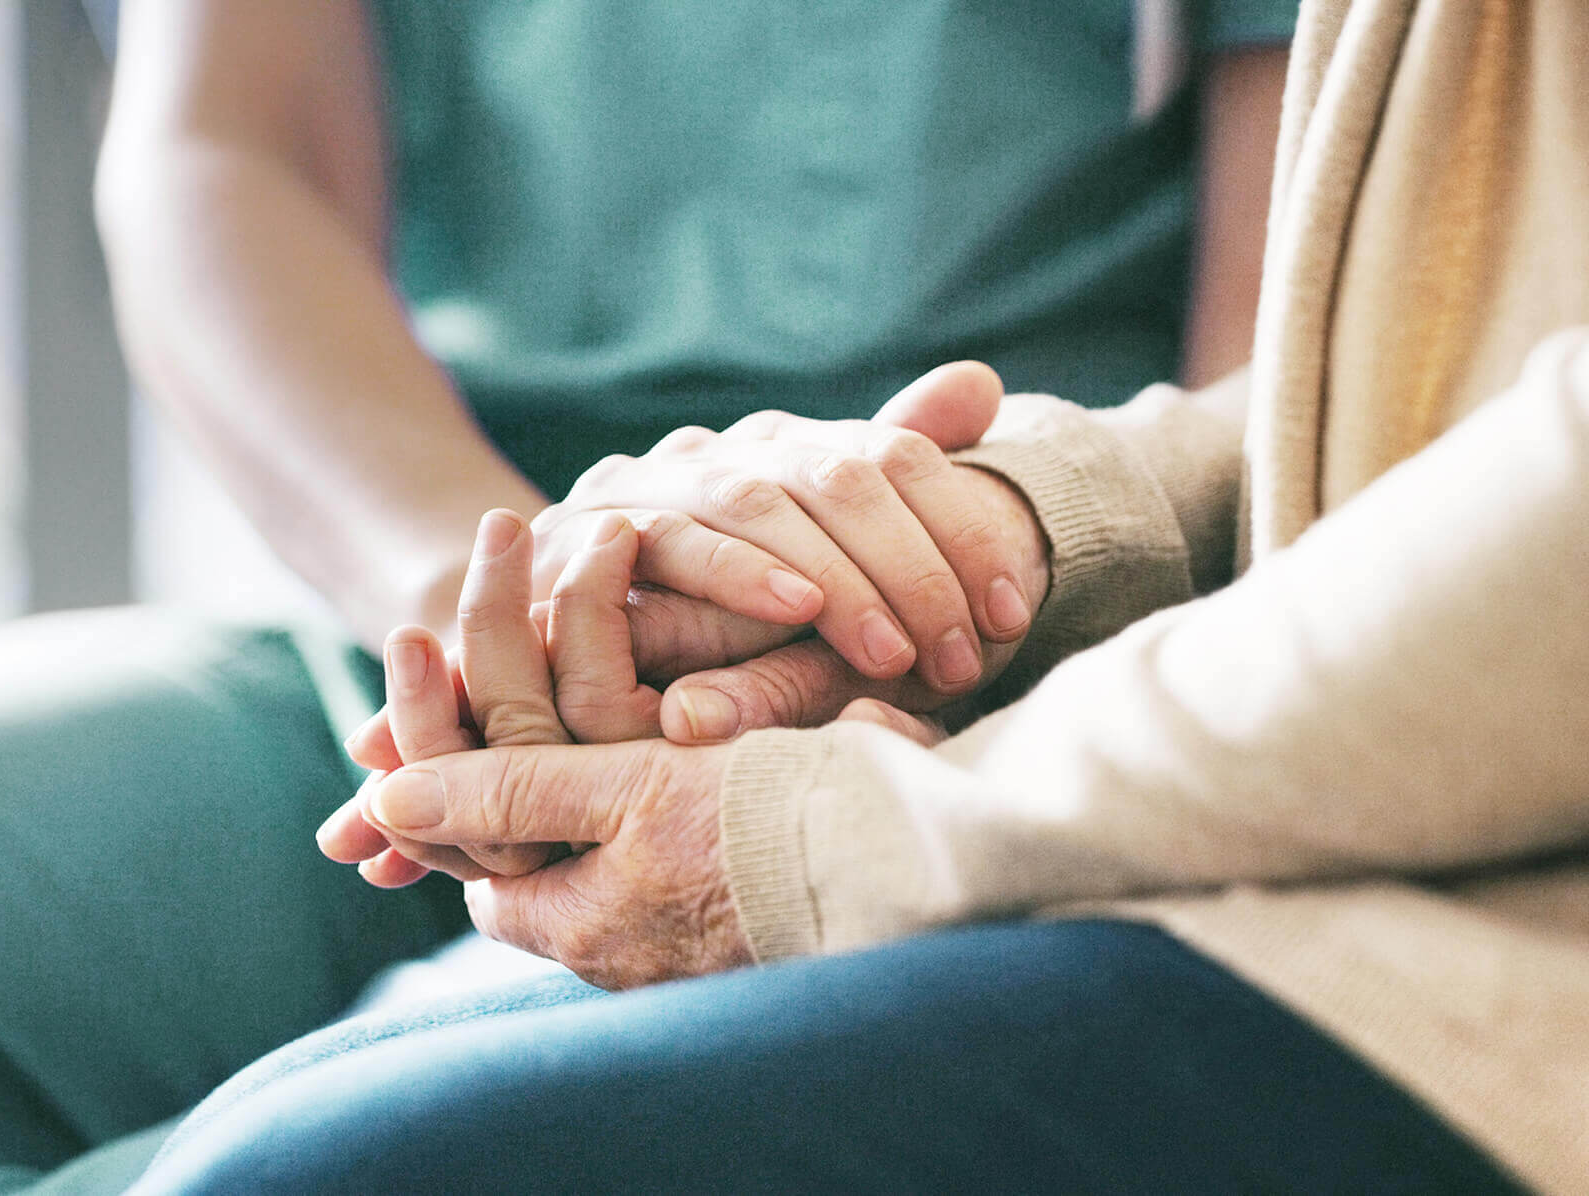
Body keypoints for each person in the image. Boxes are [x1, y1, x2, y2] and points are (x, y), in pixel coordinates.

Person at [0, 3, 1295, 1193]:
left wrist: (920, 623)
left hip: (956, 696)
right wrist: (503, 608)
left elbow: (1293, 386)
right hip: (405, 630)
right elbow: (221, 160)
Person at [131, 0, 1589, 1190]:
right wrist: (1023, 518)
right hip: (584, 623)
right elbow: (1427, 387)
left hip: (1458, 908)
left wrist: (845, 829)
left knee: (298, 1169)